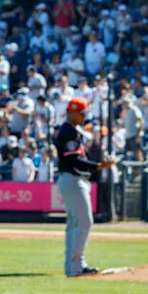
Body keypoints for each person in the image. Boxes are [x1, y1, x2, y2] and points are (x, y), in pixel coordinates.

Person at [54, 97, 116, 277]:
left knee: (75, 223)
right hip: (73, 179)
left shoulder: (71, 130)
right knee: (84, 222)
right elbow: (74, 160)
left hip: (73, 179)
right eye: (81, 113)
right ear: (71, 113)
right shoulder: (68, 132)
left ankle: (73, 265)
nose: (83, 116)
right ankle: (76, 266)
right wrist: (98, 166)